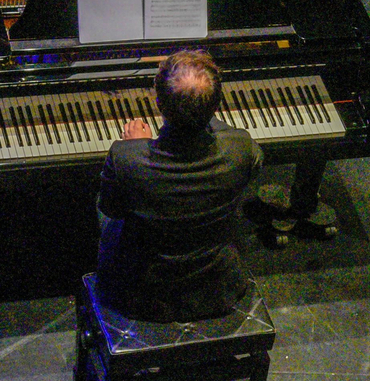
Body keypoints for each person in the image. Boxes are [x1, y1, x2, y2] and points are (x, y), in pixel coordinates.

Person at [95, 49, 263, 322]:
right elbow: (250, 169)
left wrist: (134, 146)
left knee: (105, 208)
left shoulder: (126, 157)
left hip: (142, 294)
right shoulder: (242, 146)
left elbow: (111, 208)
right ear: (216, 107)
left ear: (159, 104)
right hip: (215, 286)